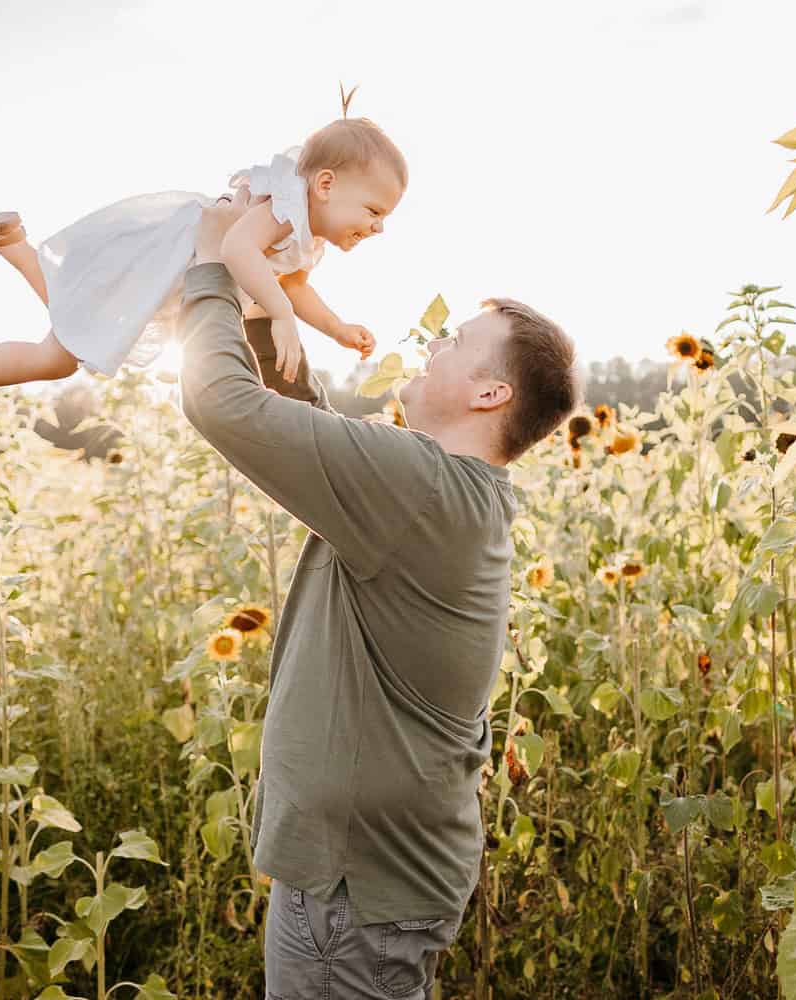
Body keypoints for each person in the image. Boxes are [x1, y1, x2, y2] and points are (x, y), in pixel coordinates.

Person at [178, 190, 581, 998]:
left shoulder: (421, 486)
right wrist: (267, 291)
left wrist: (212, 266)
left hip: (356, 891)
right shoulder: (439, 488)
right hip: (372, 879)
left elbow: (218, 400)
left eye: (456, 341)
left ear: (491, 394)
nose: (432, 344)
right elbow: (303, 420)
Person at [0, 116, 406, 429]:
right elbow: (238, 248)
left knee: (68, 340)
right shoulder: (284, 206)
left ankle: (10, 250)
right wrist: (280, 318)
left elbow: (294, 286)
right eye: (374, 211)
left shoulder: (305, 233)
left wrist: (334, 328)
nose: (379, 228)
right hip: (171, 265)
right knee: (61, 353)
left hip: (175, 279)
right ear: (327, 185)